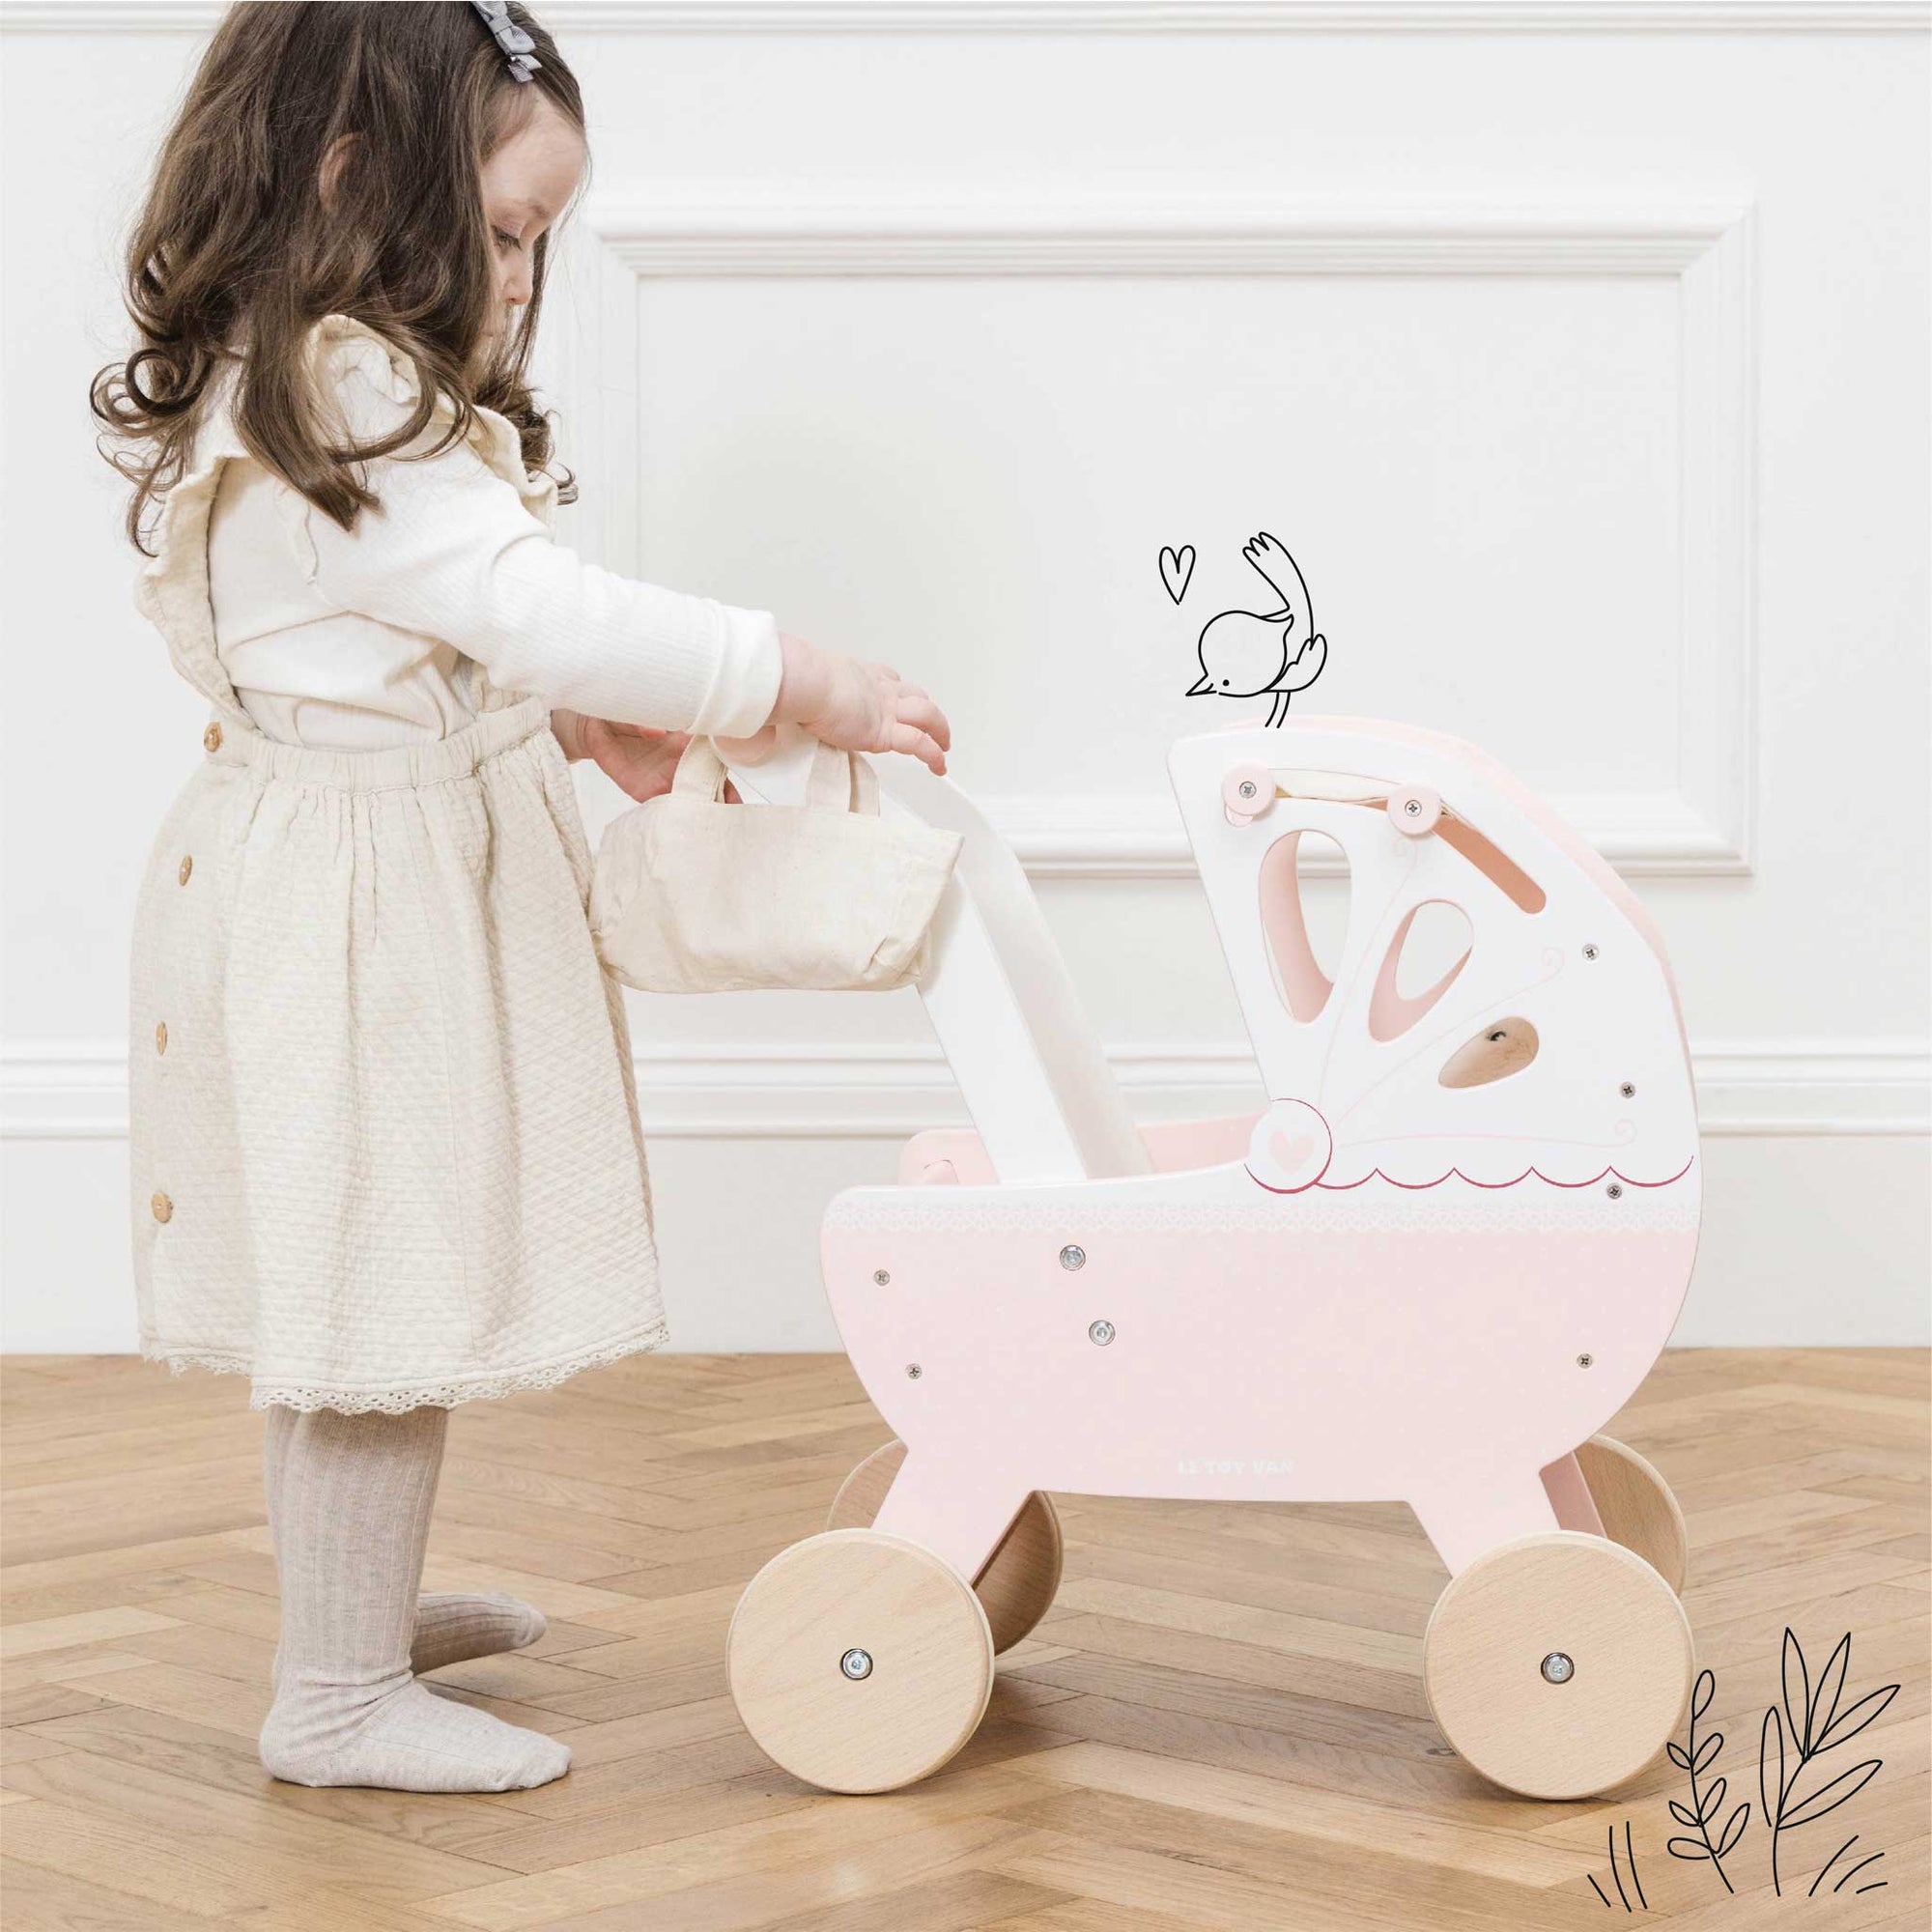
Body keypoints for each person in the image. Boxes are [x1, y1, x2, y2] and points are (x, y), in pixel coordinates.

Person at [91, 0, 949, 1795]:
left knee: (372, 1270)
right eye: (501, 232)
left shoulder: (322, 378)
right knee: (373, 1289)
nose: (523, 279)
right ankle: (331, 1696)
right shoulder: (345, 384)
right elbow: (534, 601)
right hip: (351, 918)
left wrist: (561, 720)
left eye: (539, 239)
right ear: (355, 178)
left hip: (349, 882)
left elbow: (392, 641)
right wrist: (794, 675)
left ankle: (355, 1607)